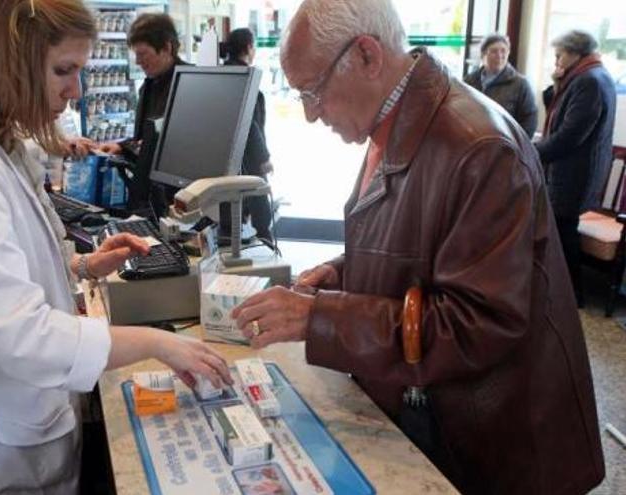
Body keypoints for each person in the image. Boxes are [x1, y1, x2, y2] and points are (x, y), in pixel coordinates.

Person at [231, 1, 604, 493]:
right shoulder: (399, 116)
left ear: (367, 56)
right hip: (440, 411)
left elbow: (478, 325)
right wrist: (349, 271)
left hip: (491, 444)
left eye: (313, 91)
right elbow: (434, 246)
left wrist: (318, 318)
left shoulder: (477, 146)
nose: (309, 113)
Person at [0, 1, 231, 493]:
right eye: (63, 71)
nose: (74, 91)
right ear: (7, 61)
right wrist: (159, 343)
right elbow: (19, 333)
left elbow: (10, 262)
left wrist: (85, 263)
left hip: (20, 417)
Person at [535, 30, 617, 303]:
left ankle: (571, 294)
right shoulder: (589, 75)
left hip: (574, 174)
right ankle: (566, 291)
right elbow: (557, 115)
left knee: (563, 232)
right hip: (575, 172)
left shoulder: (589, 81)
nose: (556, 61)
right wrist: (556, 83)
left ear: (573, 53)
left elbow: (570, 135)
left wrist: (530, 151)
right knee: (562, 229)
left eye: (559, 55)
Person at [96, 13, 188, 208]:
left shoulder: (190, 84)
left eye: (143, 54)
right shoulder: (148, 86)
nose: (138, 62)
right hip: (147, 195)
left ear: (166, 47)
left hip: (178, 198)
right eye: (136, 55)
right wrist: (122, 147)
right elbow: (145, 139)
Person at [220, 28, 274, 241]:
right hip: (247, 155)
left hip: (222, 156)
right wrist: (263, 157)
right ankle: (265, 244)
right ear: (249, 48)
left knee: (230, 209)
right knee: (259, 207)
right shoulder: (245, 79)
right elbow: (251, 124)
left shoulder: (221, 75)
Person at [464, 33, 538, 137]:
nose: (499, 55)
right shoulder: (469, 81)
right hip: (473, 141)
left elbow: (529, 121)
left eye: (504, 51)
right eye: (494, 51)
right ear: (483, 54)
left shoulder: (520, 84)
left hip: (504, 145)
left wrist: (516, 146)